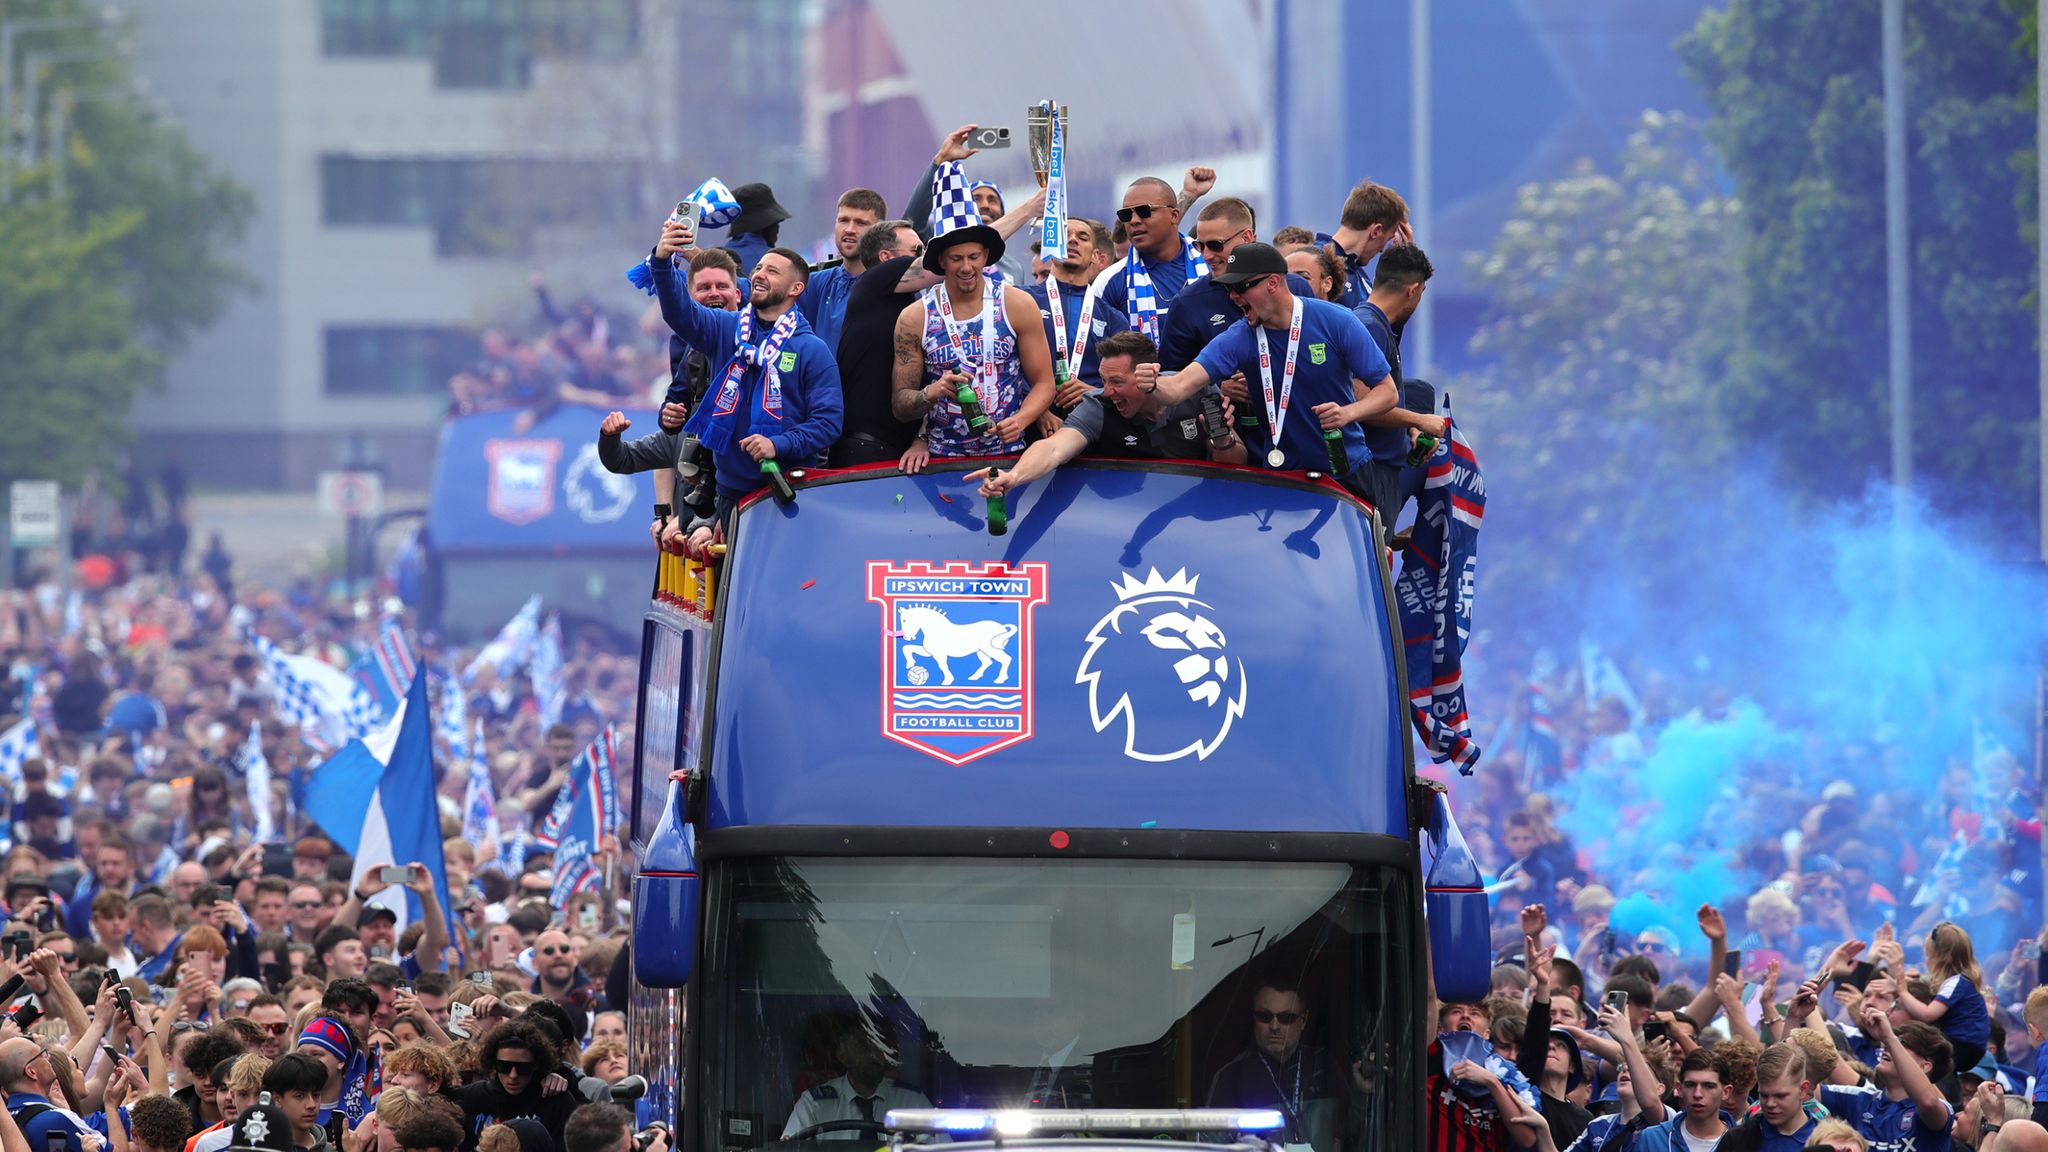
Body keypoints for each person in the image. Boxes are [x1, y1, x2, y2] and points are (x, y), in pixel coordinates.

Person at [1143, 243, 1397, 504]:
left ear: (1273, 282)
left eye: (1240, 287)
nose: (1233, 297)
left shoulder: (1337, 321)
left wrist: (1347, 413)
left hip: (1347, 473)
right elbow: (1177, 388)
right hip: (1283, 479)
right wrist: (1152, 383)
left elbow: (1388, 393)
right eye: (1229, 289)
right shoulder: (1239, 336)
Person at [651, 219, 844, 517]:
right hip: (728, 496)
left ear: (796, 288)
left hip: (789, 496)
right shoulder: (726, 328)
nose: (759, 275)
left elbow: (828, 423)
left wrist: (777, 444)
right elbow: (680, 313)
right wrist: (662, 262)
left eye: (772, 271)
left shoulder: (812, 350)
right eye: (759, 269)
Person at [970, 331, 1244, 502]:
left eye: (1117, 382)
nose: (1106, 390)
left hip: (1189, 510)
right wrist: (1014, 476)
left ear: (1149, 376)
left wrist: (1221, 440)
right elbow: (1053, 449)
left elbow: (1235, 464)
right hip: (1123, 512)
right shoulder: (1098, 405)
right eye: (1103, 380)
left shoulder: (1197, 392)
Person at [889, 205, 1055, 462]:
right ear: (942, 260)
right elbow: (901, 405)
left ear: (986, 256)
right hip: (943, 457)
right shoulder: (915, 317)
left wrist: (1021, 421)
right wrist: (931, 392)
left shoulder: (1017, 304)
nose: (967, 267)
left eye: (974, 257)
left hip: (1009, 455)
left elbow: (1044, 383)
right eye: (956, 259)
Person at [1156, 198, 1313, 373]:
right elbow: (1170, 377)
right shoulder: (1187, 304)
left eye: (1215, 245)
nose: (1206, 255)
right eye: (1200, 246)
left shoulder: (1297, 288)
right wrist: (1216, 386)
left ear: (1247, 237)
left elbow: (1319, 355)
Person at [1022, 216, 1132, 420]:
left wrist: (1094, 393)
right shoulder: (1021, 299)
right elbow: (1003, 365)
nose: (1072, 240)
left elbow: (1127, 383)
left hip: (1091, 426)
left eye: (1082, 237)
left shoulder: (1113, 318)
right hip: (1028, 423)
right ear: (1050, 249)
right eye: (1064, 235)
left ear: (1096, 257)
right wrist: (1036, 410)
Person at [1204, 980, 1331, 1150]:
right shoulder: (1231, 1076)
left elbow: (1353, 1131)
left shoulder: (1324, 1065)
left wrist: (1364, 1093)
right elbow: (1213, 1145)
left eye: (1286, 1018)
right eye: (1265, 1016)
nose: (1274, 1026)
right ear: (1253, 1018)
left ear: (1304, 1020)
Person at [1813, 1005, 1954, 1152]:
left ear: (1925, 1066)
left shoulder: (1942, 1109)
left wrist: (1890, 1038)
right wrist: (1796, 1017)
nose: (1887, 1046)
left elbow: (1928, 1102)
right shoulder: (1860, 1098)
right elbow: (1800, 1088)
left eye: (1902, 1044)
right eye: (1887, 1043)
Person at [1095, 177, 1210, 340]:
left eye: (1144, 211)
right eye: (1126, 214)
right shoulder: (1110, 281)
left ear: (1174, 215)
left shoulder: (1212, 264)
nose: (1134, 221)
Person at [780, 1024, 932, 1140]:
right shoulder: (814, 1105)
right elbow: (791, 1147)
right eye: (863, 1046)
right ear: (842, 1055)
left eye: (879, 1045)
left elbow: (945, 1148)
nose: (873, 1054)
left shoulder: (913, 1103)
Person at [1888, 922, 1991, 1073]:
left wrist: (1903, 992)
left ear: (1939, 957)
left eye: (1927, 954)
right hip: (1969, 1046)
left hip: (1963, 1046)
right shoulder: (1959, 981)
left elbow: (1928, 1014)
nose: (1925, 960)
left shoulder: (1956, 982)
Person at [796, 188, 888, 353]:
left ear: (880, 232)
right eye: (843, 220)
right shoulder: (812, 284)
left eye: (861, 223)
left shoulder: (893, 287)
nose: (850, 229)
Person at [450, 1021, 577, 1140]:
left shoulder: (557, 1102)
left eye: (523, 1068)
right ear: (493, 1063)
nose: (513, 1075)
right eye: (504, 1066)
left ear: (536, 1065)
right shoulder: (469, 1098)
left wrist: (567, 1077)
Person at [1316, 180, 1411, 308]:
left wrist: (1398, 271)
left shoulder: (1363, 280)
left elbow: (1380, 327)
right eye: (1387, 239)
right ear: (1376, 231)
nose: (1382, 250)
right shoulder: (1313, 265)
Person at [1713, 1043, 1817, 1150]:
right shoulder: (1736, 1140)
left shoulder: (1825, 1141)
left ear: (1803, 1090)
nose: (1769, 1104)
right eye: (1764, 1095)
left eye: (1780, 1096)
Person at [1630, 1049, 1732, 1152]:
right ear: (1679, 1089)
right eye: (1690, 1085)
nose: (1697, 1094)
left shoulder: (1742, 1141)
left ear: (1726, 1092)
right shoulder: (1652, 1138)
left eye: (1708, 1086)